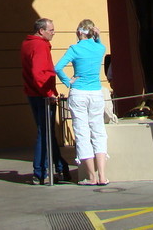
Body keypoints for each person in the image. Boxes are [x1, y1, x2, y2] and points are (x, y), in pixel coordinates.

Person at [54, 20, 109, 186]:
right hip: (96, 92)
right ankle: (102, 176)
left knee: (82, 131)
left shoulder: (74, 49)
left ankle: (91, 176)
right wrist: (97, 37)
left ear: (79, 32)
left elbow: (57, 67)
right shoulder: (100, 48)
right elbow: (99, 44)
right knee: (98, 131)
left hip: (78, 92)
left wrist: (68, 82)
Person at [20, 18, 71, 185]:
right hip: (42, 95)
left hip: (33, 93)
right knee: (44, 132)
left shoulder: (27, 44)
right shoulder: (40, 45)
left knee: (47, 132)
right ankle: (40, 172)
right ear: (41, 31)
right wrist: (48, 93)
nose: (53, 32)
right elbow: (39, 73)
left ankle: (60, 166)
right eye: (51, 30)